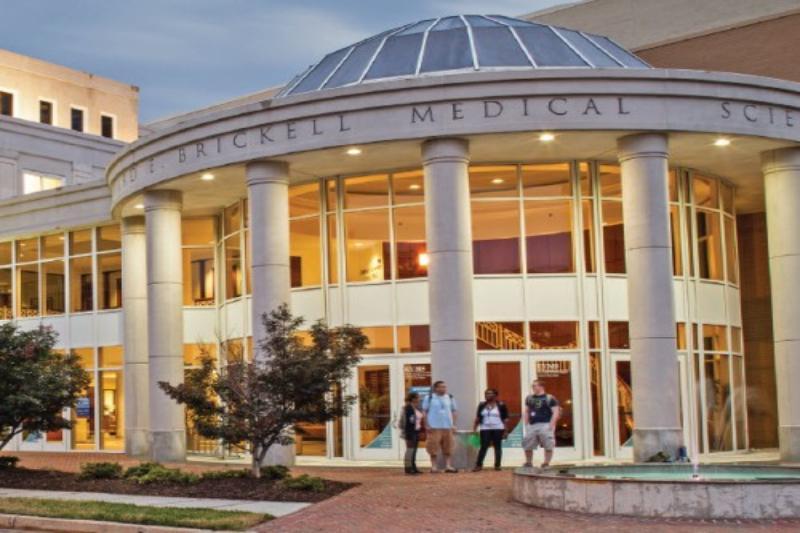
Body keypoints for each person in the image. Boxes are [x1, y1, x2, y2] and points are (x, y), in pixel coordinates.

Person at [522, 379, 560, 468]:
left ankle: (546, 463)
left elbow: (555, 412)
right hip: (532, 425)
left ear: (541, 386)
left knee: (548, 444)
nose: (533, 387)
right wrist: (526, 424)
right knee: (527, 444)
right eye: (533, 386)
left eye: (535, 385)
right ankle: (528, 462)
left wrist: (551, 425)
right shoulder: (529, 398)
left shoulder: (550, 398)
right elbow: (527, 411)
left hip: (545, 424)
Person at [422, 380, 458, 473]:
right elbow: (425, 411)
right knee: (433, 447)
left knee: (448, 446)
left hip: (447, 426)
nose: (443, 389)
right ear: (435, 388)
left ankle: (448, 466)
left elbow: (454, 411)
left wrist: (453, 424)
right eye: (441, 387)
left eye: (444, 387)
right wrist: (426, 424)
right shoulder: (429, 398)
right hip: (434, 426)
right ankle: (434, 466)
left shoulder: (450, 397)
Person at [472, 388, 509, 471]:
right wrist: (474, 428)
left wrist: (506, 431)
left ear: (495, 395)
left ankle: (497, 465)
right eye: (486, 394)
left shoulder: (501, 405)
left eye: (489, 393)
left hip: (498, 428)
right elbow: (478, 417)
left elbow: (505, 419)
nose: (487, 395)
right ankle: (478, 465)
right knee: (483, 447)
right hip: (485, 428)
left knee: (497, 447)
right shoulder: (482, 405)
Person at [401, 391, 424, 475]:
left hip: (416, 431)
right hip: (410, 432)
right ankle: (408, 468)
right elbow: (406, 422)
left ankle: (413, 467)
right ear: (413, 399)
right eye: (418, 397)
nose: (419, 399)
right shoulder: (408, 408)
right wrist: (407, 432)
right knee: (410, 450)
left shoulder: (416, 408)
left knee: (414, 450)